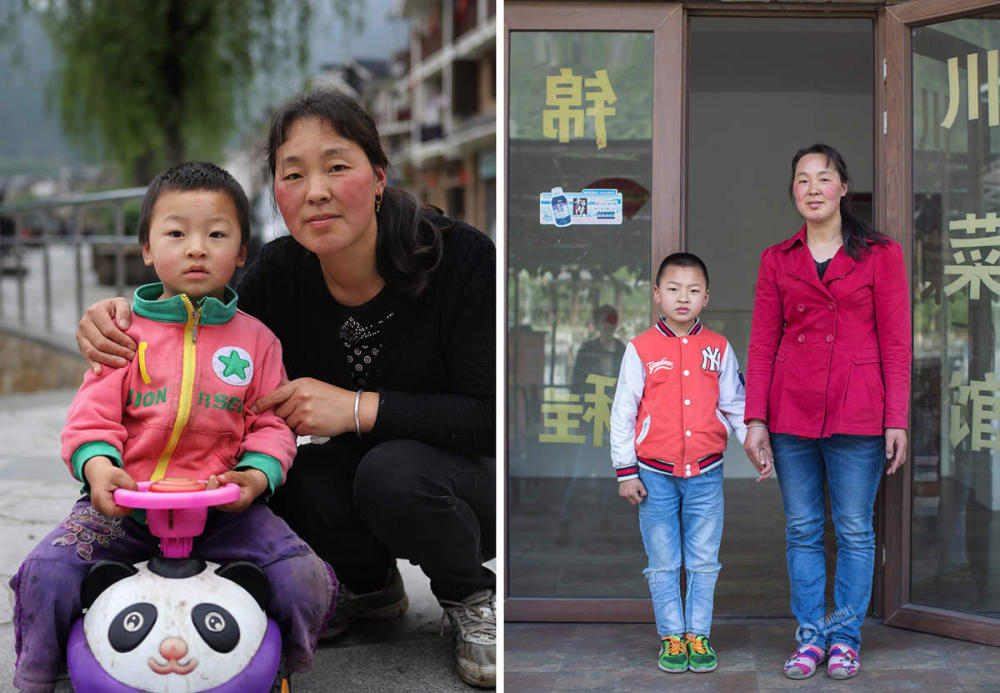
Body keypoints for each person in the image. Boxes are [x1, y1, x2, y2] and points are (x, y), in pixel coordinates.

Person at [76, 88, 497, 688]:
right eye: (292, 174)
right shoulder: (279, 273)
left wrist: (354, 408)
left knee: (392, 471)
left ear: (378, 177)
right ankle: (369, 587)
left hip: (467, 478)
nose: (315, 191)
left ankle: (471, 597)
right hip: (363, 476)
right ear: (276, 192)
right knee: (289, 472)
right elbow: (193, 330)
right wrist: (117, 315)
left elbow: (492, 417)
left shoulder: (461, 260)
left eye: (337, 167)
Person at [10, 162, 335, 693]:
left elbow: (271, 425)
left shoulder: (257, 341)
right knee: (46, 572)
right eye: (176, 233)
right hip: (124, 507)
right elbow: (90, 417)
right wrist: (99, 470)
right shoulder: (122, 333)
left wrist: (253, 478)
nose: (196, 248)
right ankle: (38, 674)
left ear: (242, 253)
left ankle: (281, 666)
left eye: (216, 234)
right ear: (146, 248)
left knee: (303, 578)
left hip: (225, 510)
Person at [743, 143, 910, 681]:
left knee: (856, 530)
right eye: (802, 179)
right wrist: (755, 420)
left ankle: (844, 638)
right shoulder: (777, 258)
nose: (813, 188)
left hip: (859, 409)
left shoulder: (881, 253)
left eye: (824, 178)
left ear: (843, 187)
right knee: (802, 529)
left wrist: (897, 418)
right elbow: (763, 343)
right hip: (791, 411)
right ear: (793, 191)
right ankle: (810, 638)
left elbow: (897, 342)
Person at [610, 252, 772, 675]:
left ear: (706, 298)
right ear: (657, 294)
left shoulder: (718, 348)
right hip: (653, 476)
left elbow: (735, 406)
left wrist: (756, 447)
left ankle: (698, 633)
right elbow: (623, 413)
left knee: (703, 560)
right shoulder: (640, 349)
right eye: (674, 289)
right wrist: (626, 471)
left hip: (705, 474)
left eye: (694, 290)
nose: (683, 297)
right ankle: (672, 636)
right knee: (663, 561)